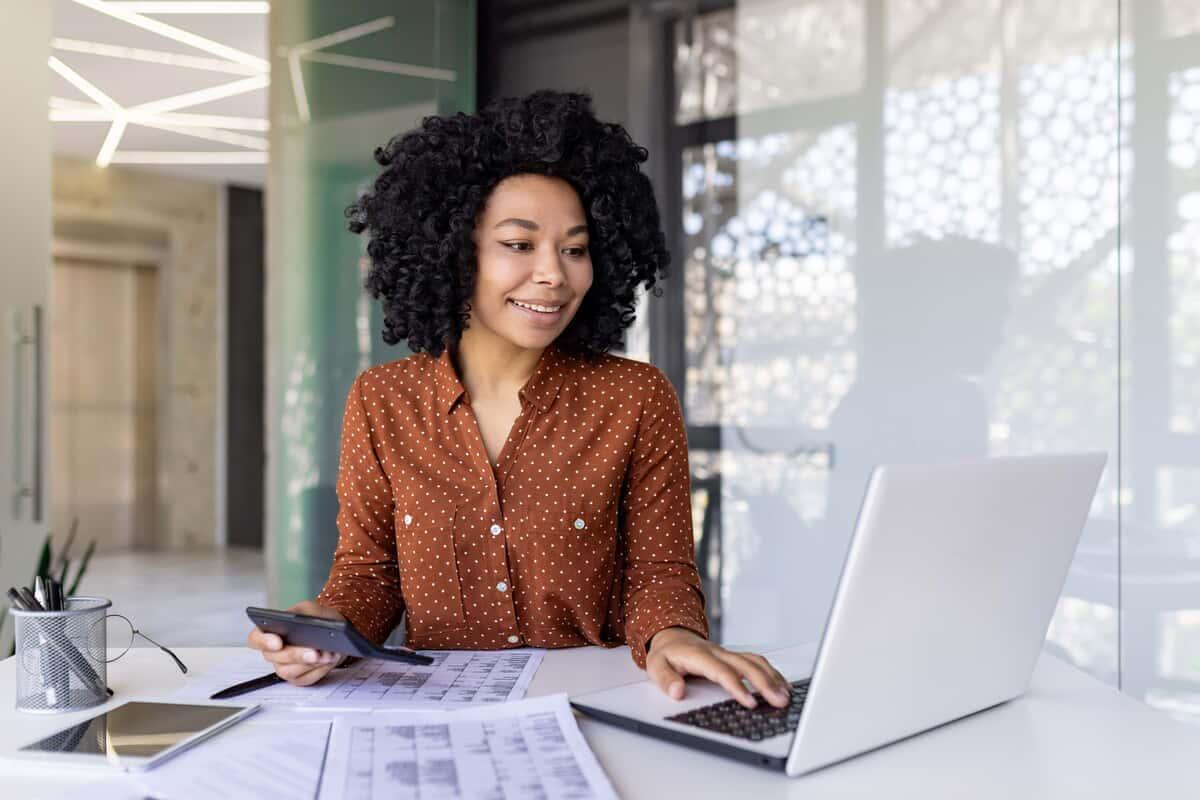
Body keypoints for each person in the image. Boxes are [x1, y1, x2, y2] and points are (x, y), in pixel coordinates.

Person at [247, 90, 790, 710]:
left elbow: (659, 575)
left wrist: (672, 635)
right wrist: (324, 628)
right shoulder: (382, 400)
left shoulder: (636, 398)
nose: (555, 274)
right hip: (438, 713)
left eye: (575, 248)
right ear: (456, 253)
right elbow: (369, 578)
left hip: (596, 705)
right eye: (519, 244)